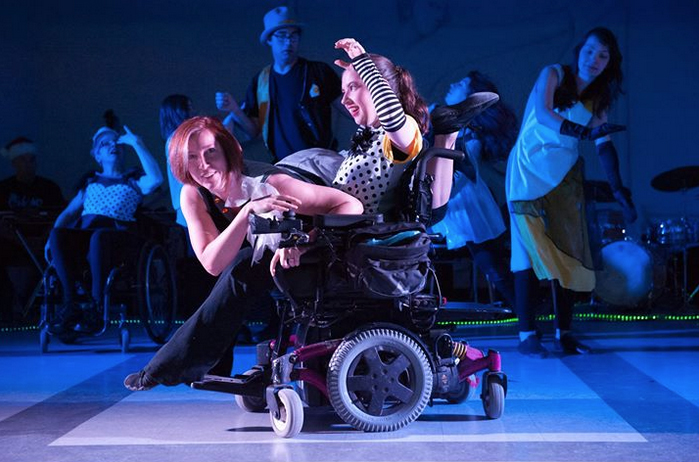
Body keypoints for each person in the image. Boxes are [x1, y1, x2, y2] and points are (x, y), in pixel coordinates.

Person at [123, 116, 362, 391]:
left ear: (228, 150)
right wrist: (247, 213)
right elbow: (212, 263)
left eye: (210, 152)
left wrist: (304, 243)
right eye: (192, 157)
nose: (203, 165)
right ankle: (209, 366)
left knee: (242, 265)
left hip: (313, 249)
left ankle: (167, 367)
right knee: (222, 270)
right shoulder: (193, 194)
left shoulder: (273, 183)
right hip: (266, 252)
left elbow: (349, 205)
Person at [505, 27, 637, 357]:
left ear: (610, 62)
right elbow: (544, 114)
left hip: (564, 178)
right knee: (527, 252)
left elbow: (605, 147)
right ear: (580, 50)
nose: (594, 59)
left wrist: (618, 189)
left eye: (603, 55)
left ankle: (565, 334)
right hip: (527, 171)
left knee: (568, 253)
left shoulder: (599, 99)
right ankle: (526, 336)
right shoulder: (553, 73)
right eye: (590, 51)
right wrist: (584, 132)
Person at [44, 123, 163, 333]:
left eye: (115, 142)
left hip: (118, 238)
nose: (111, 146)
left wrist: (137, 143)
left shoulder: (132, 180)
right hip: (87, 235)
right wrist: (50, 242)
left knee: (99, 237)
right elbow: (68, 214)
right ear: (97, 155)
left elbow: (156, 179)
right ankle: (70, 304)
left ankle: (98, 306)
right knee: (58, 234)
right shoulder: (90, 183)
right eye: (104, 144)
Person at [428, 71, 518, 307]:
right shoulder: (433, 114)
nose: (452, 83)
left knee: (492, 265)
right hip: (443, 202)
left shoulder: (472, 136)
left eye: (461, 83)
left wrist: (437, 197)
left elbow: (465, 176)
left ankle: (526, 315)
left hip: (463, 206)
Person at [216, 6, 342, 161]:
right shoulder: (261, 81)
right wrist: (234, 109)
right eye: (282, 36)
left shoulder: (318, 71)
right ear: (269, 39)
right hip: (283, 166)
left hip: (321, 162)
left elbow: (348, 106)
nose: (288, 42)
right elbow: (254, 131)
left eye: (293, 36)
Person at [0, 137, 65, 323]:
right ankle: (7, 309)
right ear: (14, 162)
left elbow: (59, 218)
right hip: (12, 242)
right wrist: (21, 241)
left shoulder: (49, 188)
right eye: (23, 160)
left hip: (43, 243)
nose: (28, 164)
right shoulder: (3, 189)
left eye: (31, 159)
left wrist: (43, 240)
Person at [159, 94, 195, 229]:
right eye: (189, 107)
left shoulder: (175, 138)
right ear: (178, 112)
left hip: (186, 203)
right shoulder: (177, 138)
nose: (193, 112)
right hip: (188, 203)